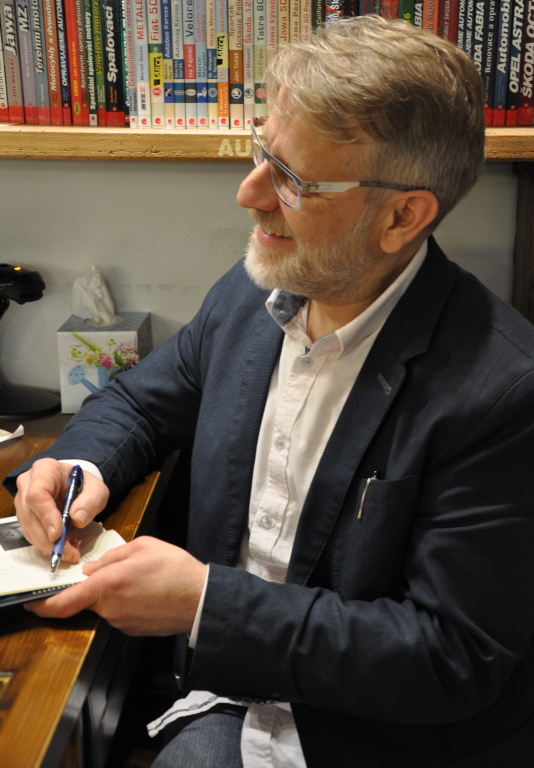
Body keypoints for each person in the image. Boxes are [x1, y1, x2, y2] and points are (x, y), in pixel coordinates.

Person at [5, 14, 534, 768]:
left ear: (402, 216)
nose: (249, 193)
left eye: (292, 179)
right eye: (261, 153)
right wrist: (76, 469)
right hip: (217, 686)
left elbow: (449, 657)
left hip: (364, 736)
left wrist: (204, 604)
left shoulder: (504, 391)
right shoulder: (255, 292)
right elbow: (139, 402)